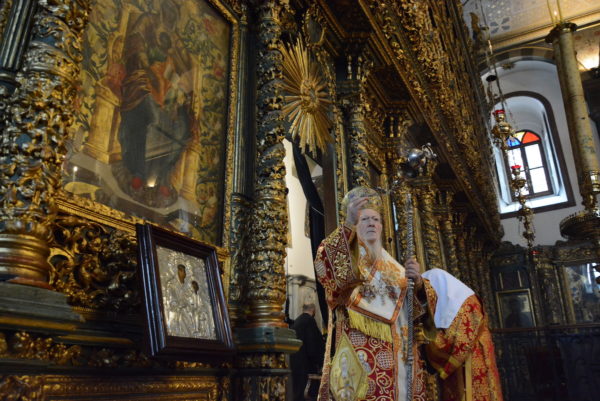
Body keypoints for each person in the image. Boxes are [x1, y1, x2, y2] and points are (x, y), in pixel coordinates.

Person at [314, 187, 434, 401]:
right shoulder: (345, 255)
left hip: (401, 356)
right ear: (355, 224)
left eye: (376, 219)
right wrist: (348, 223)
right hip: (361, 352)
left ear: (381, 227)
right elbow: (328, 267)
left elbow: (416, 314)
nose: (371, 223)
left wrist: (418, 284)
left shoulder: (394, 266)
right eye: (364, 219)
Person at [423, 268, 504, 401]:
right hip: (467, 360)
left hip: (472, 359)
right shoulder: (458, 300)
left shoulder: (466, 303)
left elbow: (459, 343)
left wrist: (428, 342)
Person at [291, 303, 325, 401]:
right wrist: (319, 362)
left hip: (295, 364)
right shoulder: (310, 321)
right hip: (306, 365)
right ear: (313, 310)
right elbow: (312, 345)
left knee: (297, 394)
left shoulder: (296, 321)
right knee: (308, 395)